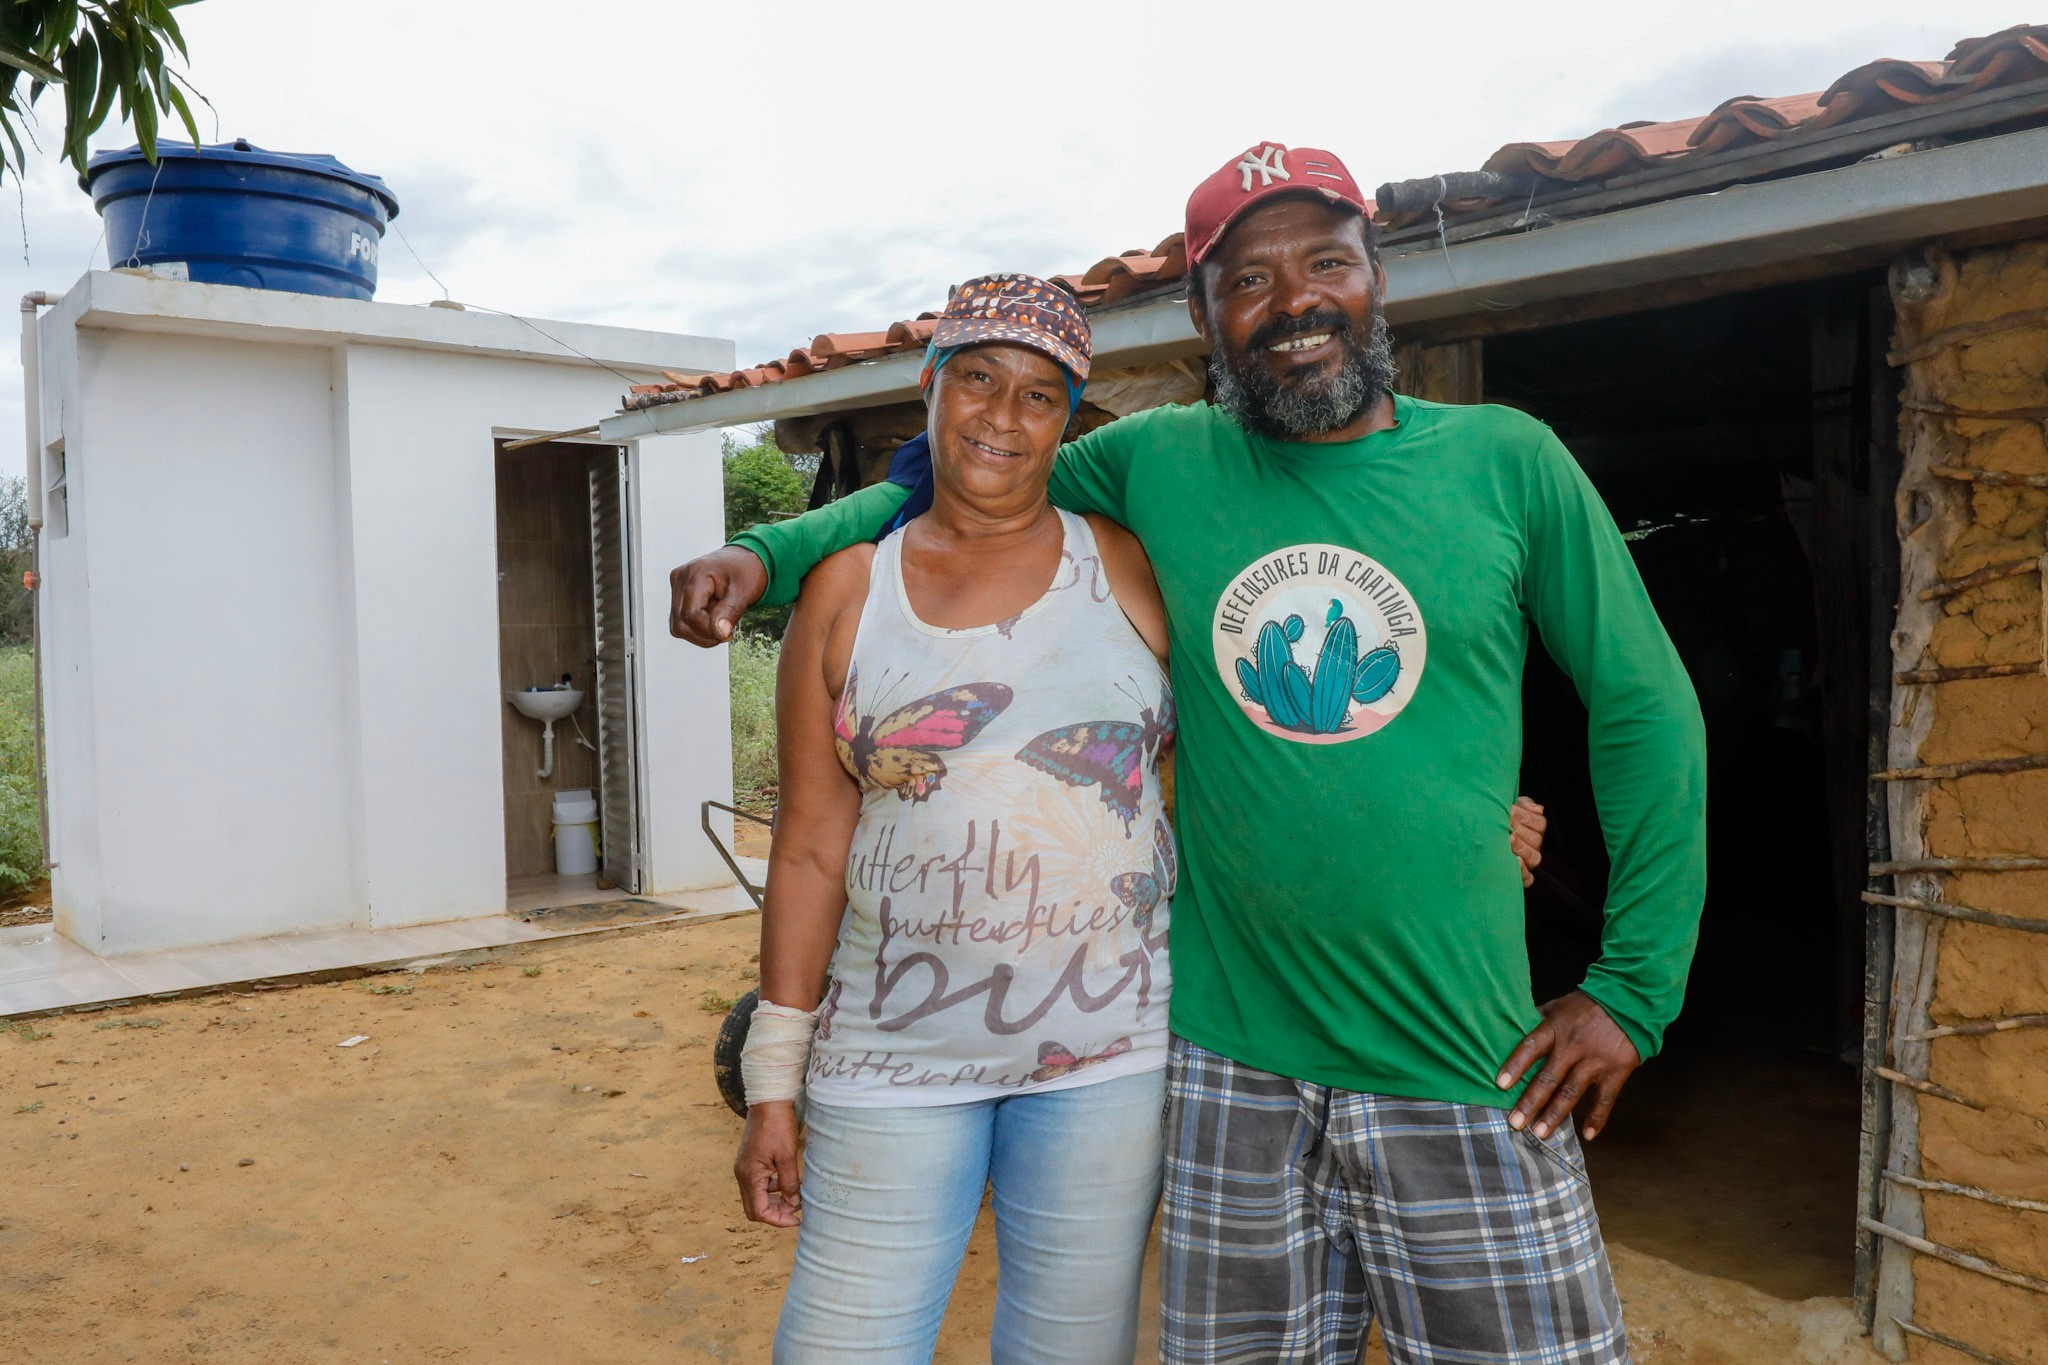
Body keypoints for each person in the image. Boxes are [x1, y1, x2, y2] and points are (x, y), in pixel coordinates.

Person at [697, 144, 1704, 1365]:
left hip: (1458, 1056)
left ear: (1374, 277)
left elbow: (1643, 711)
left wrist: (1631, 989)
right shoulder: (1160, 462)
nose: (1292, 305)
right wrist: (770, 552)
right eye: (1248, 280)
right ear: (1202, 314)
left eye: (1323, 264)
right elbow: (955, 483)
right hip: (1226, 1068)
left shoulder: (1504, 462)